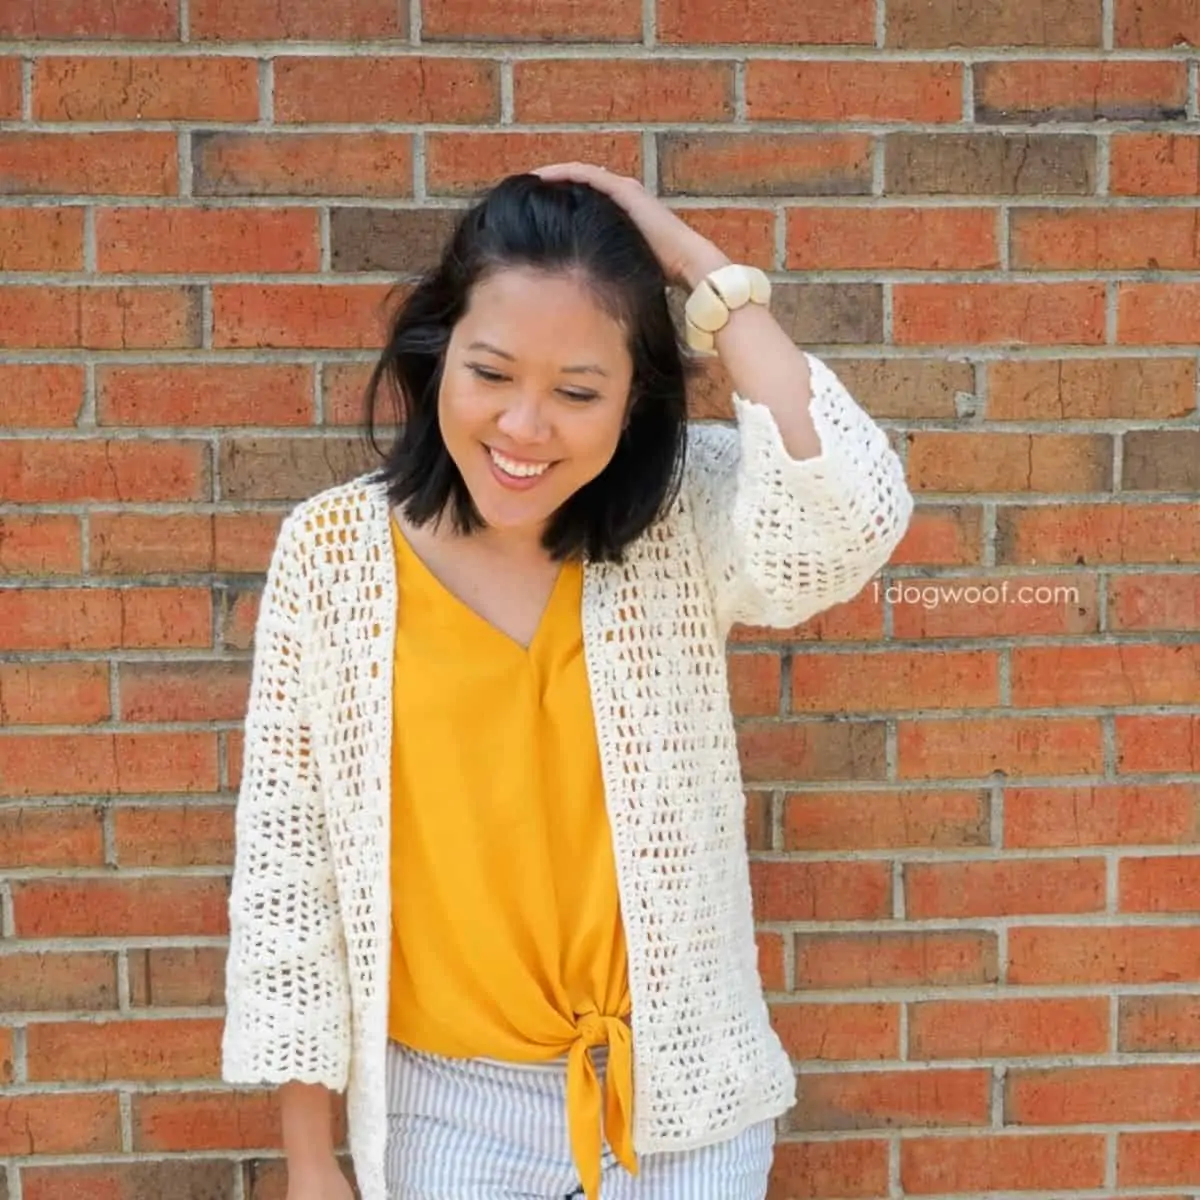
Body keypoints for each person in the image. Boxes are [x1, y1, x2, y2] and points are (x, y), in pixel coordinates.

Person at [220, 163, 914, 1200]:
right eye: (491, 372)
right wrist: (311, 1161)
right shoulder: (333, 554)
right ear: (436, 354)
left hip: (683, 1114)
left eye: (579, 391)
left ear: (637, 401)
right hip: (446, 1114)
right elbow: (291, 869)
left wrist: (696, 269)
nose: (523, 429)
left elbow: (853, 515)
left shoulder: (681, 520)